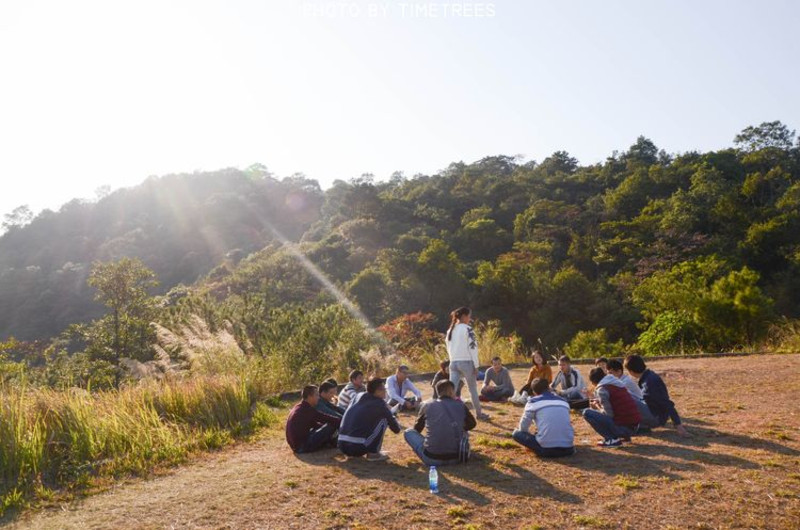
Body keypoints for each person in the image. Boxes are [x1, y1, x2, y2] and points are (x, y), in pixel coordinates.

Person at [404, 380, 476, 466]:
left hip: (432, 459)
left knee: (408, 432)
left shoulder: (427, 405)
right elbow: (472, 424)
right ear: (451, 391)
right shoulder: (461, 405)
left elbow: (417, 429)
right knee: (464, 432)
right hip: (457, 458)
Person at [624, 355, 689, 437]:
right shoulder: (647, 377)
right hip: (654, 413)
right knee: (628, 396)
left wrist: (678, 425)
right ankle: (642, 427)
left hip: (656, 417)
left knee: (627, 399)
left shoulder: (650, 382)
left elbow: (666, 402)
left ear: (631, 371)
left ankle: (642, 426)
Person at [338, 378, 402, 461]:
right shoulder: (379, 403)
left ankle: (357, 450)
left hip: (341, 445)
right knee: (384, 420)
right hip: (356, 447)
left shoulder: (358, 396)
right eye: (384, 389)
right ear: (377, 391)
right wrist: (397, 424)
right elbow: (396, 429)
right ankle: (373, 453)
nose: (385, 391)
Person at [512, 378, 575, 458]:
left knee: (516, 433)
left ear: (534, 392)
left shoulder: (533, 402)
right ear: (549, 388)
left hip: (546, 450)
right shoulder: (563, 401)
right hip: (568, 448)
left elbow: (523, 428)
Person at [446, 306, 489, 420]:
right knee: (472, 389)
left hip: (453, 362)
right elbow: (473, 348)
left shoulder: (450, 330)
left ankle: (447, 414)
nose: (470, 318)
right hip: (466, 362)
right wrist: (476, 365)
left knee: (451, 390)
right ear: (464, 316)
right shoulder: (468, 329)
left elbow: (448, 348)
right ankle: (479, 414)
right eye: (469, 316)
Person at [582, 367, 642, 447]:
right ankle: (624, 437)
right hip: (634, 426)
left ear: (593, 382)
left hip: (624, 429)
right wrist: (600, 403)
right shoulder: (615, 382)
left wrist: (596, 406)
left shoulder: (602, 389)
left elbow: (608, 415)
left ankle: (611, 439)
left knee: (587, 413)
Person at [285, 385, 341, 453]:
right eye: (317, 395)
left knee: (327, 426)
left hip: (296, 446)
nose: (318, 398)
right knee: (332, 424)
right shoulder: (307, 409)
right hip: (302, 447)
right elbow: (326, 418)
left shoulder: (300, 407)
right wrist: (345, 423)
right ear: (309, 397)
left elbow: (315, 425)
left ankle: (331, 441)